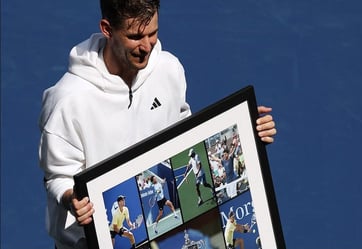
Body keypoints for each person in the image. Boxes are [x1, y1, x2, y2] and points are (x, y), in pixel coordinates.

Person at [38, 1, 276, 248]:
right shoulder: (68, 100)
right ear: (107, 29)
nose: (146, 46)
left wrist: (244, 129)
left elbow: (183, 134)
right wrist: (72, 199)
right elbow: (58, 176)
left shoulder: (168, 69)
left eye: (153, 33)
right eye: (135, 36)